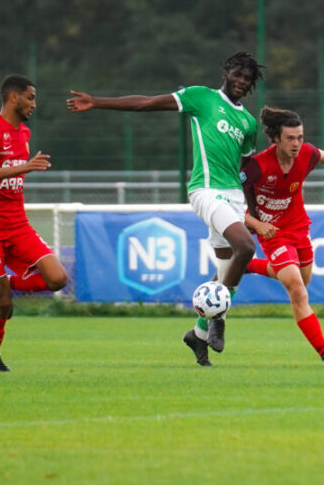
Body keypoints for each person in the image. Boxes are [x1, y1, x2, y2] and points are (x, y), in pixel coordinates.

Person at [67, 51, 263, 367]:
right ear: (226, 73)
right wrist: (98, 102)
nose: (241, 81)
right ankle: (218, 318)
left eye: (247, 79)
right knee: (245, 247)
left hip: (234, 198)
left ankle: (197, 336)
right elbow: (147, 103)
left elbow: (246, 168)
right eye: (237, 74)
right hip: (206, 191)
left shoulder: (249, 122)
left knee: (226, 269)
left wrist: (252, 211)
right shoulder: (201, 98)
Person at [241, 107, 324, 368]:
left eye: (300, 137)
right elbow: (230, 204)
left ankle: (250, 265)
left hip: (299, 228)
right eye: (290, 138)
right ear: (275, 139)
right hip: (273, 234)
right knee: (298, 291)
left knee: (301, 281)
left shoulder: (306, 154)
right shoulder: (257, 167)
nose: (297, 143)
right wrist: (256, 223)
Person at [0, 74, 68, 371]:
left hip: (16, 224)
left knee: (58, 279)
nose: (34, 104)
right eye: (30, 97)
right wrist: (25, 167)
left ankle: (5, 284)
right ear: (14, 97)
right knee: (4, 307)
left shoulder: (23, 133)